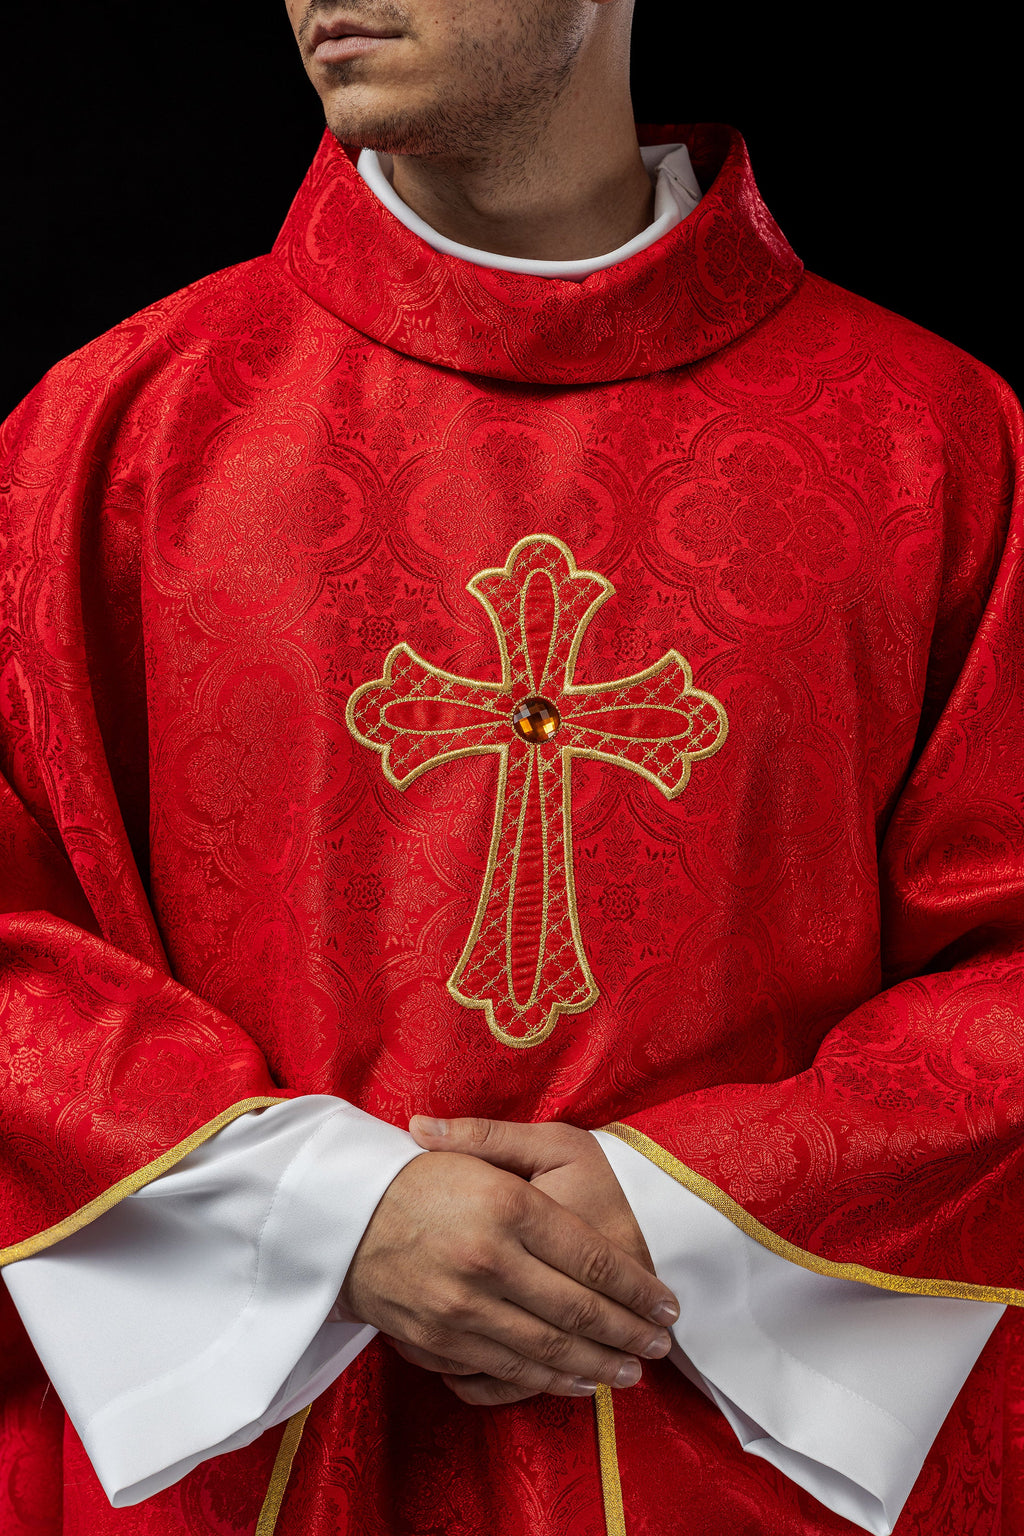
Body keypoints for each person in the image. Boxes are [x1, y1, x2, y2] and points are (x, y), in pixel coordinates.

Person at [1, 1, 1022, 1533]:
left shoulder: (931, 445)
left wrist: (694, 1212)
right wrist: (324, 1215)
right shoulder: (116, 432)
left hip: (729, 1462)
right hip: (256, 1470)